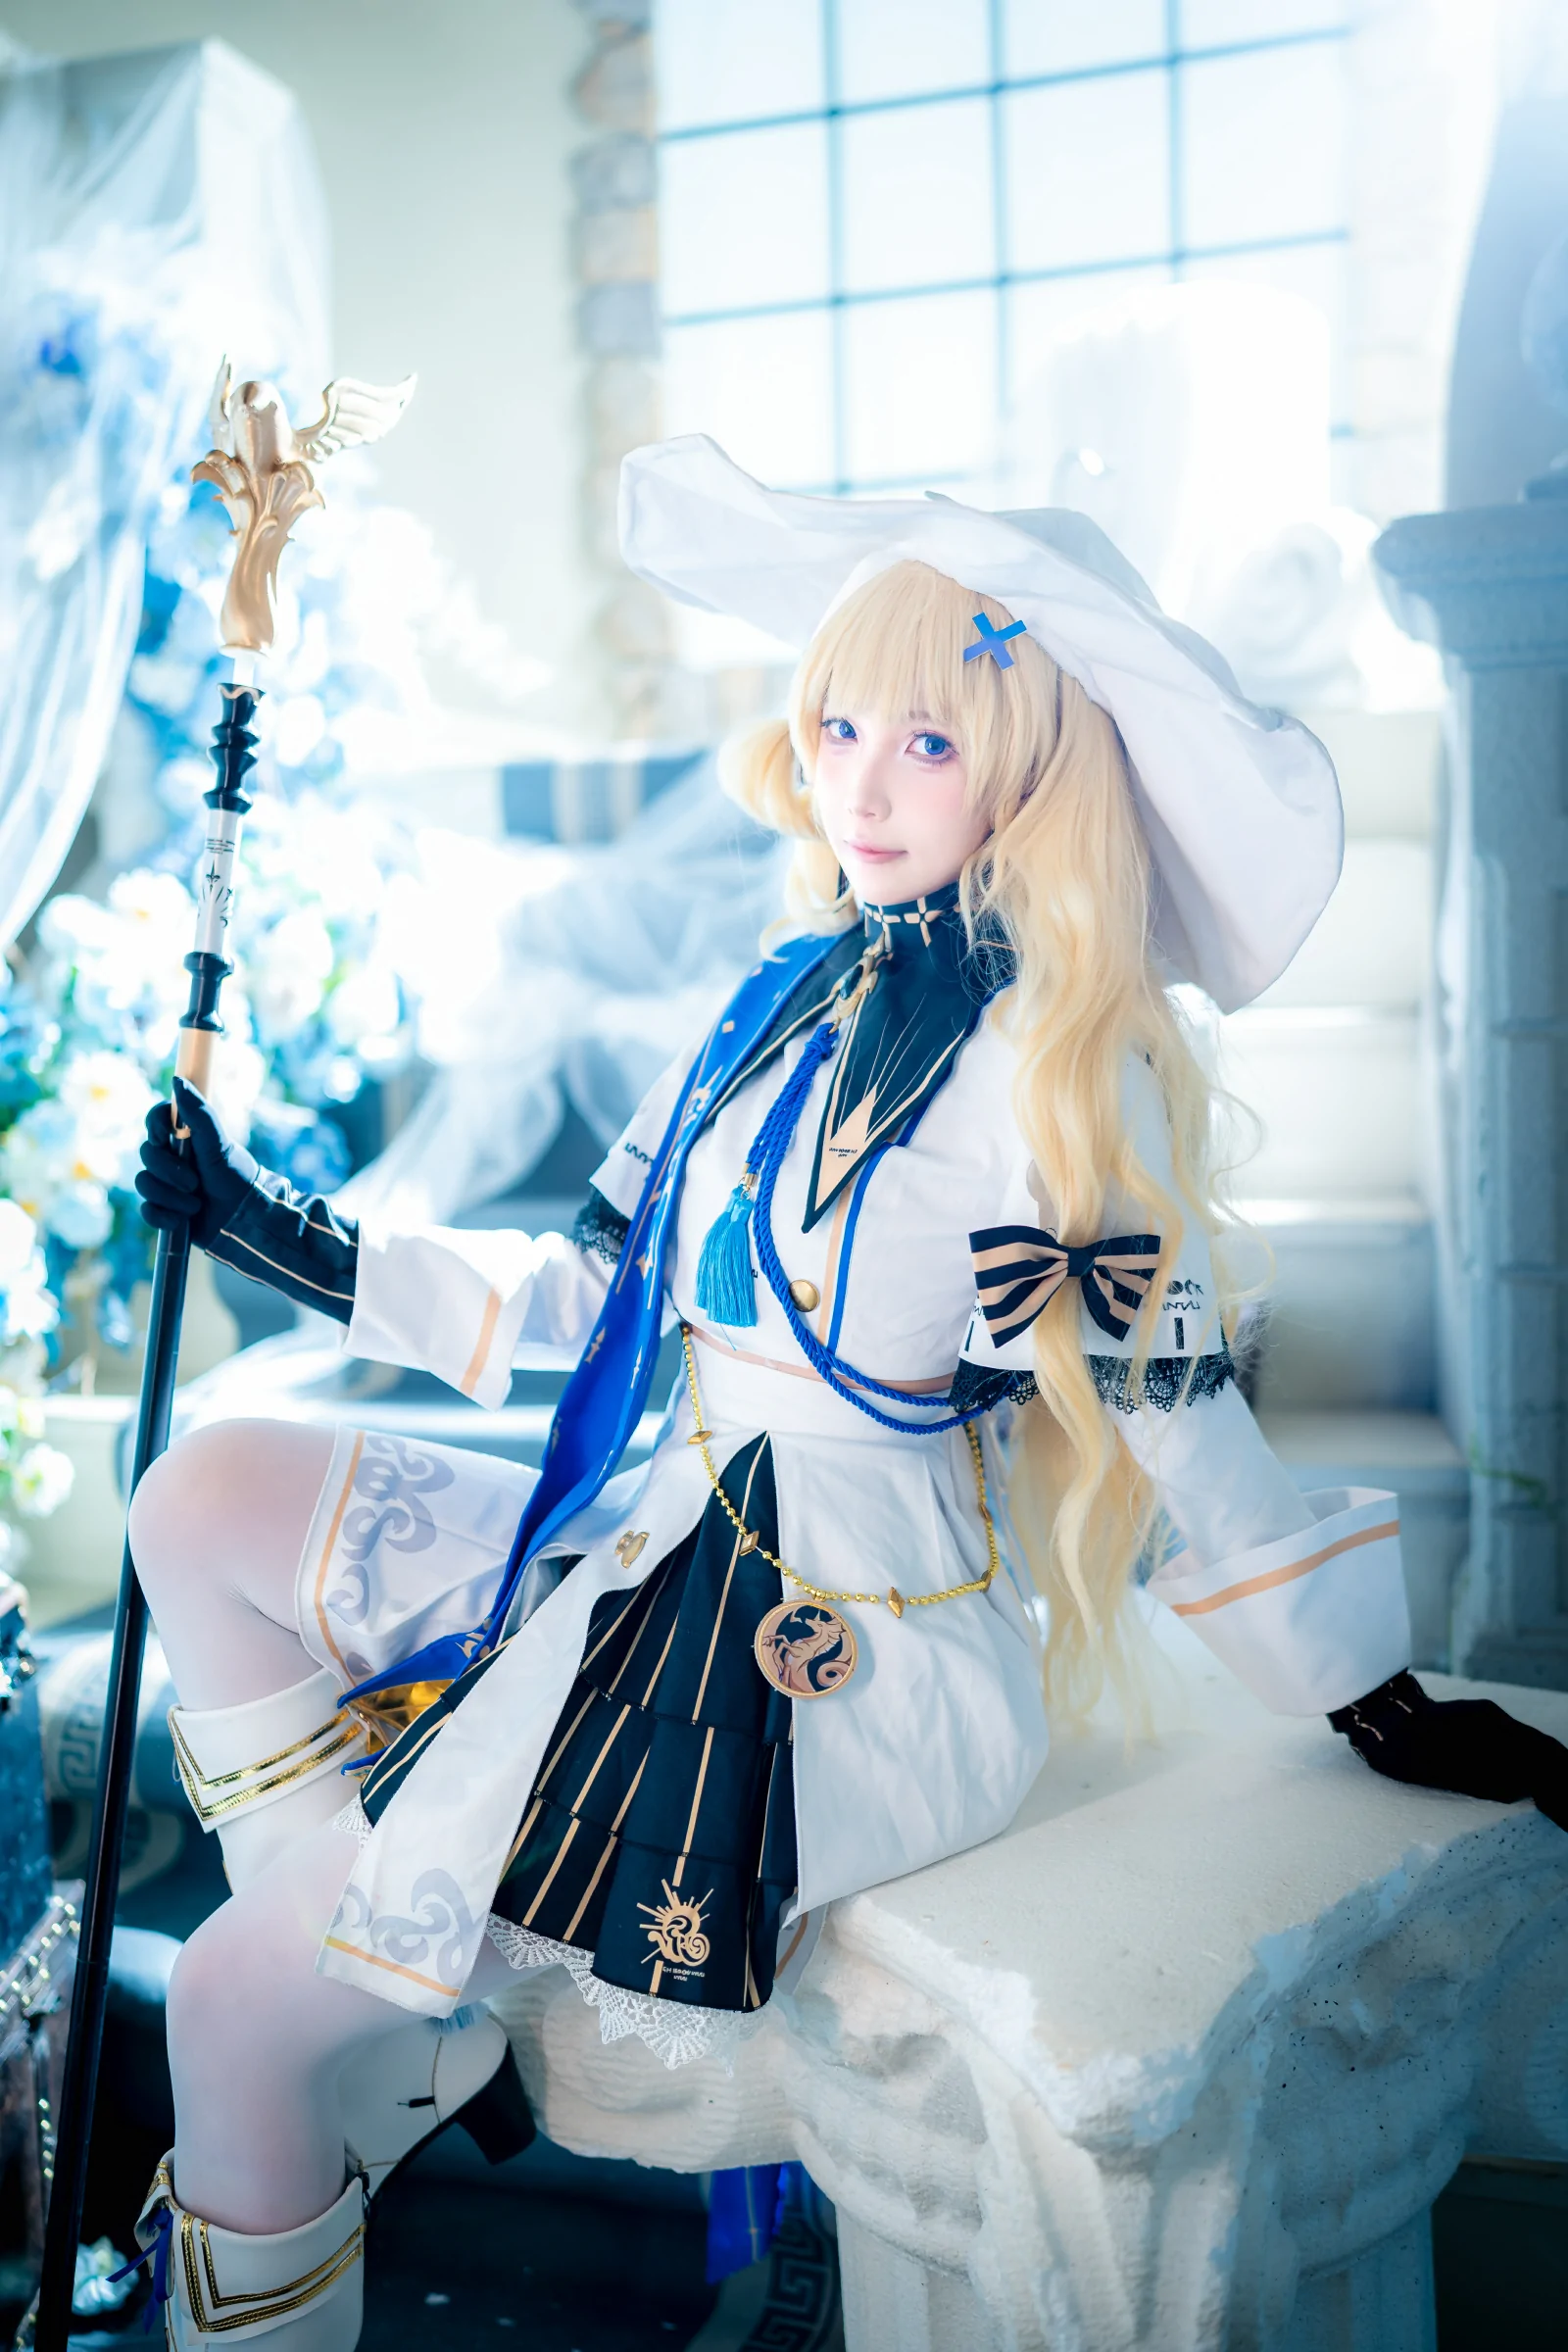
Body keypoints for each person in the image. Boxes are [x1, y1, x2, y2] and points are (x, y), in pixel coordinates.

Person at [127, 436, 1568, 2349]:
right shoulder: (773, 998)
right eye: (836, 730)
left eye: (928, 743)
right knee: (195, 1497)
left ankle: (335, 2016)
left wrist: (1364, 1689)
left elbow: (1170, 1409)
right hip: (664, 1527)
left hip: (847, 1652)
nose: (861, 787)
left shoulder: (1057, 1071)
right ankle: (396, 2022)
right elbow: (595, 1288)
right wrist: (290, 1237)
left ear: (1030, 774)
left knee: (227, 2003)